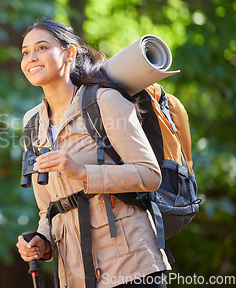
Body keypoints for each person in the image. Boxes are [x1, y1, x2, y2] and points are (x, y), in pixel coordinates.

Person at [15, 19, 171, 288]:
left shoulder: (103, 101)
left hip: (131, 268)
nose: (32, 57)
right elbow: (48, 210)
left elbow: (149, 174)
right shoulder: (33, 127)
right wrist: (41, 242)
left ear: (69, 53)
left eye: (42, 47)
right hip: (75, 277)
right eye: (26, 52)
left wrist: (81, 172)